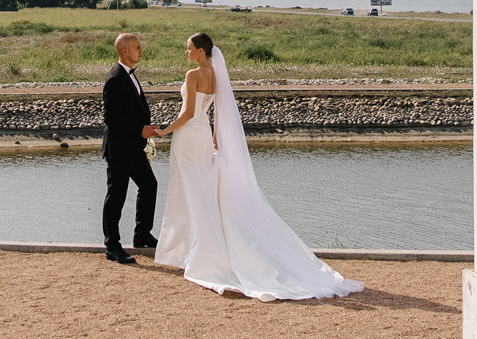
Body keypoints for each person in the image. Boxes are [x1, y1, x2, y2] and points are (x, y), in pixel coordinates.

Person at [153, 33, 365, 301]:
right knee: (201, 189)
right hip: (204, 135)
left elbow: (186, 113)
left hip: (188, 137)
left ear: (202, 51)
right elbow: (217, 113)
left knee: (188, 190)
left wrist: (164, 131)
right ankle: (197, 248)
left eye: (189, 49)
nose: (187, 53)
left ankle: (197, 251)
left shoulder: (192, 74)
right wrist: (216, 139)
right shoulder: (217, 75)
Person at [100, 31, 162, 264]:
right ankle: (112, 246)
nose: (141, 49)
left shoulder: (130, 76)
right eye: (137, 46)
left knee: (149, 185)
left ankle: (142, 235)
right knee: (116, 196)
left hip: (134, 148)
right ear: (124, 51)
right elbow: (111, 119)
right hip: (119, 149)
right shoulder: (115, 78)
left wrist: (144, 130)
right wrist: (140, 130)